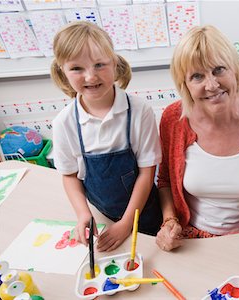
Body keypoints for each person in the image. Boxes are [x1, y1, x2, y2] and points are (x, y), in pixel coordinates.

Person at [155, 25, 239, 251]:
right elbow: (165, 182)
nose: (212, 85)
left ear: (235, 70)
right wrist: (170, 221)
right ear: (185, 85)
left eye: (219, 70)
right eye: (197, 76)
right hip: (191, 240)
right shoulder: (173, 119)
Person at [51, 21, 162, 252]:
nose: (90, 77)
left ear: (114, 63)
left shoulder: (140, 111)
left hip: (145, 213)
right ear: (62, 70)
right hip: (101, 216)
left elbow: (146, 172)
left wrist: (127, 224)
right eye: (77, 69)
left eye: (99, 64)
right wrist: (83, 215)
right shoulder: (64, 122)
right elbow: (70, 176)